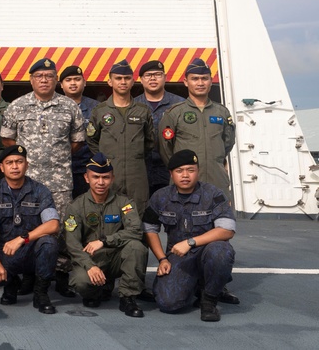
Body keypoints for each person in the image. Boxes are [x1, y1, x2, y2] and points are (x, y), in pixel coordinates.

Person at [1, 57, 86, 298]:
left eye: (49, 76)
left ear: (56, 80)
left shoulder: (70, 107)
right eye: (39, 76)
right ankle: (30, 275)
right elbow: (8, 140)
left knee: (61, 229)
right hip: (27, 181)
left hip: (59, 182)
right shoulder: (17, 106)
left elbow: (77, 141)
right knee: (28, 227)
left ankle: (59, 277)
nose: (44, 80)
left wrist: (54, 157)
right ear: (31, 80)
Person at [143, 149, 236, 322]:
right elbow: (149, 228)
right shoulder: (160, 197)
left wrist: (191, 242)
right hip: (178, 257)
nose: (185, 175)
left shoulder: (213, 195)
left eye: (190, 170)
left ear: (197, 171)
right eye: (179, 171)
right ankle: (198, 285)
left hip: (206, 251)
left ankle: (209, 300)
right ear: (171, 174)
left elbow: (227, 230)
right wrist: (162, 259)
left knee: (221, 251)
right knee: (167, 303)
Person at [64, 153, 146, 317]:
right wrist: (90, 266)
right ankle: (98, 290)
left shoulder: (124, 203)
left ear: (112, 178)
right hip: (92, 259)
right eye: (95, 177)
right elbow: (73, 245)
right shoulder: (76, 207)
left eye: (105, 177)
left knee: (136, 247)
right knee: (81, 283)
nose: (101, 182)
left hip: (115, 257)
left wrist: (105, 241)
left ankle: (128, 298)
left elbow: (136, 230)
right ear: (86, 178)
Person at [0, 144, 60, 314]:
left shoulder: (40, 191)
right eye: (9, 163)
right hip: (6, 252)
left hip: (31, 250)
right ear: (1, 167)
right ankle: (11, 283)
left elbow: (53, 225)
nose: (15, 166)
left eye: (19, 162)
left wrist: (22, 239)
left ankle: (41, 293)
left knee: (50, 243)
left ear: (27, 165)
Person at [158, 58, 236, 199]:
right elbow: (165, 147)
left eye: (204, 79)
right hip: (185, 182)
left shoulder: (222, 112)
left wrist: (213, 159)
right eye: (195, 79)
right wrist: (180, 168)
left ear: (211, 81)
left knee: (220, 219)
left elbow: (227, 143)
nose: (200, 83)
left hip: (216, 179)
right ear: (186, 82)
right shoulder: (175, 113)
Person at [86, 60, 155, 214]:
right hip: (109, 174)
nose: (123, 82)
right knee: (109, 213)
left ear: (133, 81)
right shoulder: (100, 111)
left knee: (138, 215)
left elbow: (150, 142)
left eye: (127, 78)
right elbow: (91, 139)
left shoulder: (143, 111)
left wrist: (133, 155)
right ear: (110, 81)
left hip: (136, 175)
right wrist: (107, 157)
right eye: (118, 78)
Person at [134, 60, 183, 196]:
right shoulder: (133, 106)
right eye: (148, 75)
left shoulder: (179, 104)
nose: (153, 78)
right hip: (142, 170)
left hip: (171, 169)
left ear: (165, 77)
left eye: (157, 74)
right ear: (141, 80)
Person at [59, 65, 97, 199]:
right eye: (68, 80)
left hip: (88, 170)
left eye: (77, 79)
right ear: (61, 85)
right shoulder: (53, 107)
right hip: (59, 170)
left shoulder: (97, 108)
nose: (73, 83)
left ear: (84, 82)